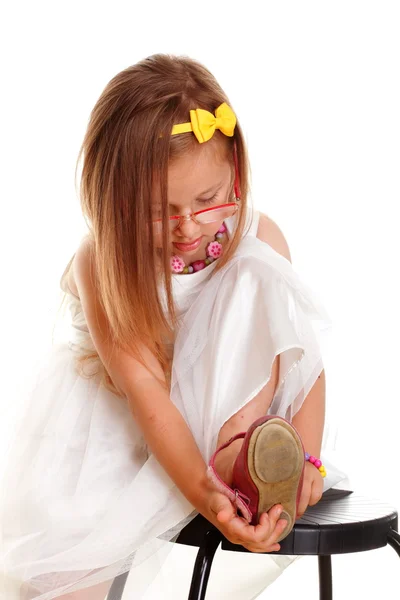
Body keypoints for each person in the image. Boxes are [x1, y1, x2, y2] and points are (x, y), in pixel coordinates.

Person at [0, 53, 346, 600]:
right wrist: (206, 498)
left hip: (230, 422)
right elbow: (146, 394)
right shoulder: (102, 262)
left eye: (208, 200)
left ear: (233, 170)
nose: (190, 226)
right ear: (113, 201)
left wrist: (307, 456)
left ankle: (248, 459)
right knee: (63, 574)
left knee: (257, 265)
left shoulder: (256, 239)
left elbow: (303, 361)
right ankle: (227, 474)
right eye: (161, 211)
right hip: (125, 430)